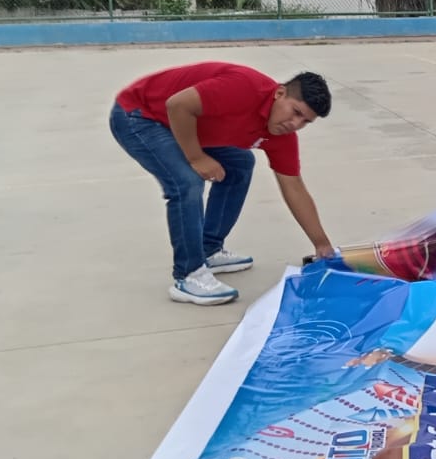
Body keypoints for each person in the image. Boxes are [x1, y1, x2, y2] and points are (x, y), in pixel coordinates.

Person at [111, 62, 335, 304]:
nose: (295, 124)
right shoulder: (243, 88)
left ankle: (209, 249)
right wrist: (196, 158)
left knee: (240, 164)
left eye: (305, 122)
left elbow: (294, 187)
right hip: (140, 115)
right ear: (279, 93)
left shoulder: (282, 135)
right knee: (186, 182)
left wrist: (321, 244)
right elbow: (177, 105)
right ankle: (189, 275)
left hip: (184, 124)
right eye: (295, 112)